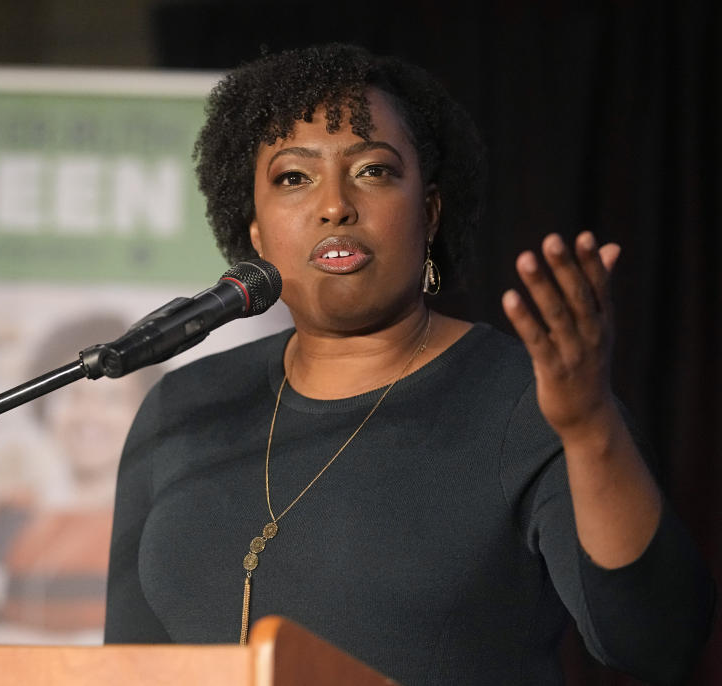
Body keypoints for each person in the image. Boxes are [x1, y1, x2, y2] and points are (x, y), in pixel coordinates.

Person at [104, 44, 714, 685]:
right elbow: (126, 667)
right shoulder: (183, 408)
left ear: (429, 212)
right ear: (254, 231)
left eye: (372, 171)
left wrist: (590, 430)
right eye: (293, 177)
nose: (334, 205)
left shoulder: (530, 402)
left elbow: (658, 643)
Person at [0, 313, 160, 645]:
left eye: (112, 399)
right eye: (75, 397)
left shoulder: (157, 523)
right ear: (46, 408)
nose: (91, 415)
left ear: (143, 411)